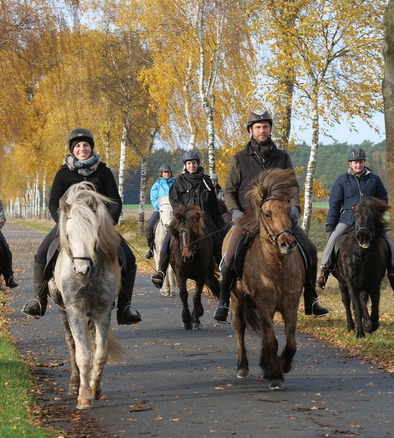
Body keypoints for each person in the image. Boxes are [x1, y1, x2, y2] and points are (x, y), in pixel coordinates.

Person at [213, 108, 328, 323]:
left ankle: (311, 299)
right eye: (258, 127)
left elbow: (293, 188)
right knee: (229, 256)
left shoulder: (282, 157)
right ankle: (223, 302)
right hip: (249, 217)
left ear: (270, 129)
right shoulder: (239, 159)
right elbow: (229, 191)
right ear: (250, 130)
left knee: (311, 249)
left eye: (265, 126)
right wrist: (236, 211)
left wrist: (294, 209)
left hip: (279, 217)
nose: (262, 130)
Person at [21, 128, 142, 325]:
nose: (82, 149)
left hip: (100, 226)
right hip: (70, 224)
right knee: (43, 253)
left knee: (128, 257)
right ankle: (39, 300)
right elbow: (53, 202)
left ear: (91, 148)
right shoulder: (63, 173)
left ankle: (125, 307)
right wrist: (65, 222)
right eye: (78, 146)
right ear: (72, 150)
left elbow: (115, 201)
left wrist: (108, 223)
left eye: (86, 145)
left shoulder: (103, 171)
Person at [317, 147, 394, 288]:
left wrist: (375, 211)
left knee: (388, 241)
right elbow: (334, 203)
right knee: (333, 238)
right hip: (348, 217)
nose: (358, 165)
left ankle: (392, 271)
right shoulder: (342, 180)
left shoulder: (374, 179)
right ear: (350, 164)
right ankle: (323, 270)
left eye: (360, 162)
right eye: (355, 162)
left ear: (364, 162)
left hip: (369, 219)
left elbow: (383, 198)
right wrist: (331, 222)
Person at [150, 150, 226, 288]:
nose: (192, 166)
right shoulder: (179, 181)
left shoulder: (206, 181)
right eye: (189, 163)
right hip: (184, 221)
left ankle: (225, 272)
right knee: (168, 239)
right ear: (186, 165)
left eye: (194, 163)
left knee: (217, 241)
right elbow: (173, 199)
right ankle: (161, 271)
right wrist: (184, 212)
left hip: (204, 221)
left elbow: (214, 205)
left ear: (198, 164)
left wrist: (220, 225)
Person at [144, 164, 174, 260]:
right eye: (165, 172)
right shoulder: (156, 185)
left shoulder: (175, 183)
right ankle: (151, 248)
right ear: (161, 174)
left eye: (168, 172)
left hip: (173, 210)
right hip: (159, 210)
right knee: (149, 226)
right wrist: (161, 208)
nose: (167, 174)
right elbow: (153, 199)